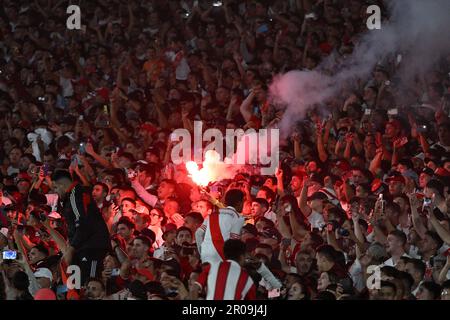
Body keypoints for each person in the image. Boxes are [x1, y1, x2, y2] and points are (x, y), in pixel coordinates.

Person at [51, 170, 111, 283]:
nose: (55, 192)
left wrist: (71, 249)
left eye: (55, 188)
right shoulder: (71, 196)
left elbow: (82, 224)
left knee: (91, 283)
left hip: (92, 247)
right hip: (82, 247)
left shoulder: (75, 194)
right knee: (80, 284)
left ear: (62, 185)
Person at [191, 239, 256, 300]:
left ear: (224, 254)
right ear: (242, 256)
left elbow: (194, 289)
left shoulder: (211, 267)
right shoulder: (247, 279)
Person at [195, 189, 245, 264]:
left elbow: (198, 233)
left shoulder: (212, 215)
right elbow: (234, 241)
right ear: (239, 203)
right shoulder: (238, 218)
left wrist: (202, 253)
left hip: (206, 258)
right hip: (223, 259)